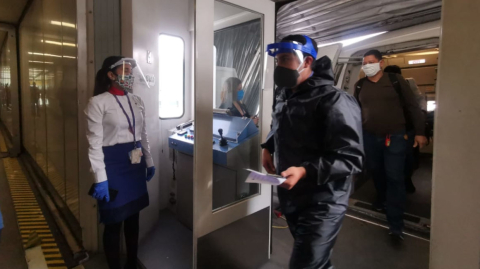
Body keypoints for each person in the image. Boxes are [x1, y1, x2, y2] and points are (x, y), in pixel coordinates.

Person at [262, 35, 363, 269]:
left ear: (307, 62)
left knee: (305, 264)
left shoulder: (335, 100)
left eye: (285, 59)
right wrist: (268, 146)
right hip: (294, 196)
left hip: (324, 200)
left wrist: (305, 171)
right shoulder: (285, 95)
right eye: (278, 60)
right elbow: (279, 125)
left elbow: (351, 158)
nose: (279, 66)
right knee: (316, 261)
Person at [85, 56, 156, 269]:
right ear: (110, 74)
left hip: (134, 164)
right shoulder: (97, 102)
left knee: (133, 218)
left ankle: (132, 263)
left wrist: (149, 160)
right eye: (125, 69)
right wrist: (100, 179)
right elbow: (94, 144)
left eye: (131, 70)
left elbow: (143, 133)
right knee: (114, 221)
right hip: (112, 166)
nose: (130, 74)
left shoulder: (136, 100)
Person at [354, 51, 427, 240]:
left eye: (371, 62)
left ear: (381, 63)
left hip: (395, 136)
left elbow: (413, 106)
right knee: (376, 171)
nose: (367, 65)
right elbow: (356, 111)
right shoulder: (360, 84)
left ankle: (396, 225)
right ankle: (382, 198)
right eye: (364, 63)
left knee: (394, 176)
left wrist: (419, 132)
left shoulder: (395, 81)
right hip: (370, 137)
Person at [384, 65, 427, 193]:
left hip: (406, 128)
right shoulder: (380, 87)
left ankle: (405, 181)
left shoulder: (407, 84)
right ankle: (400, 182)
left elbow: (417, 105)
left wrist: (420, 129)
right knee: (399, 158)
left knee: (406, 157)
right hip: (393, 129)